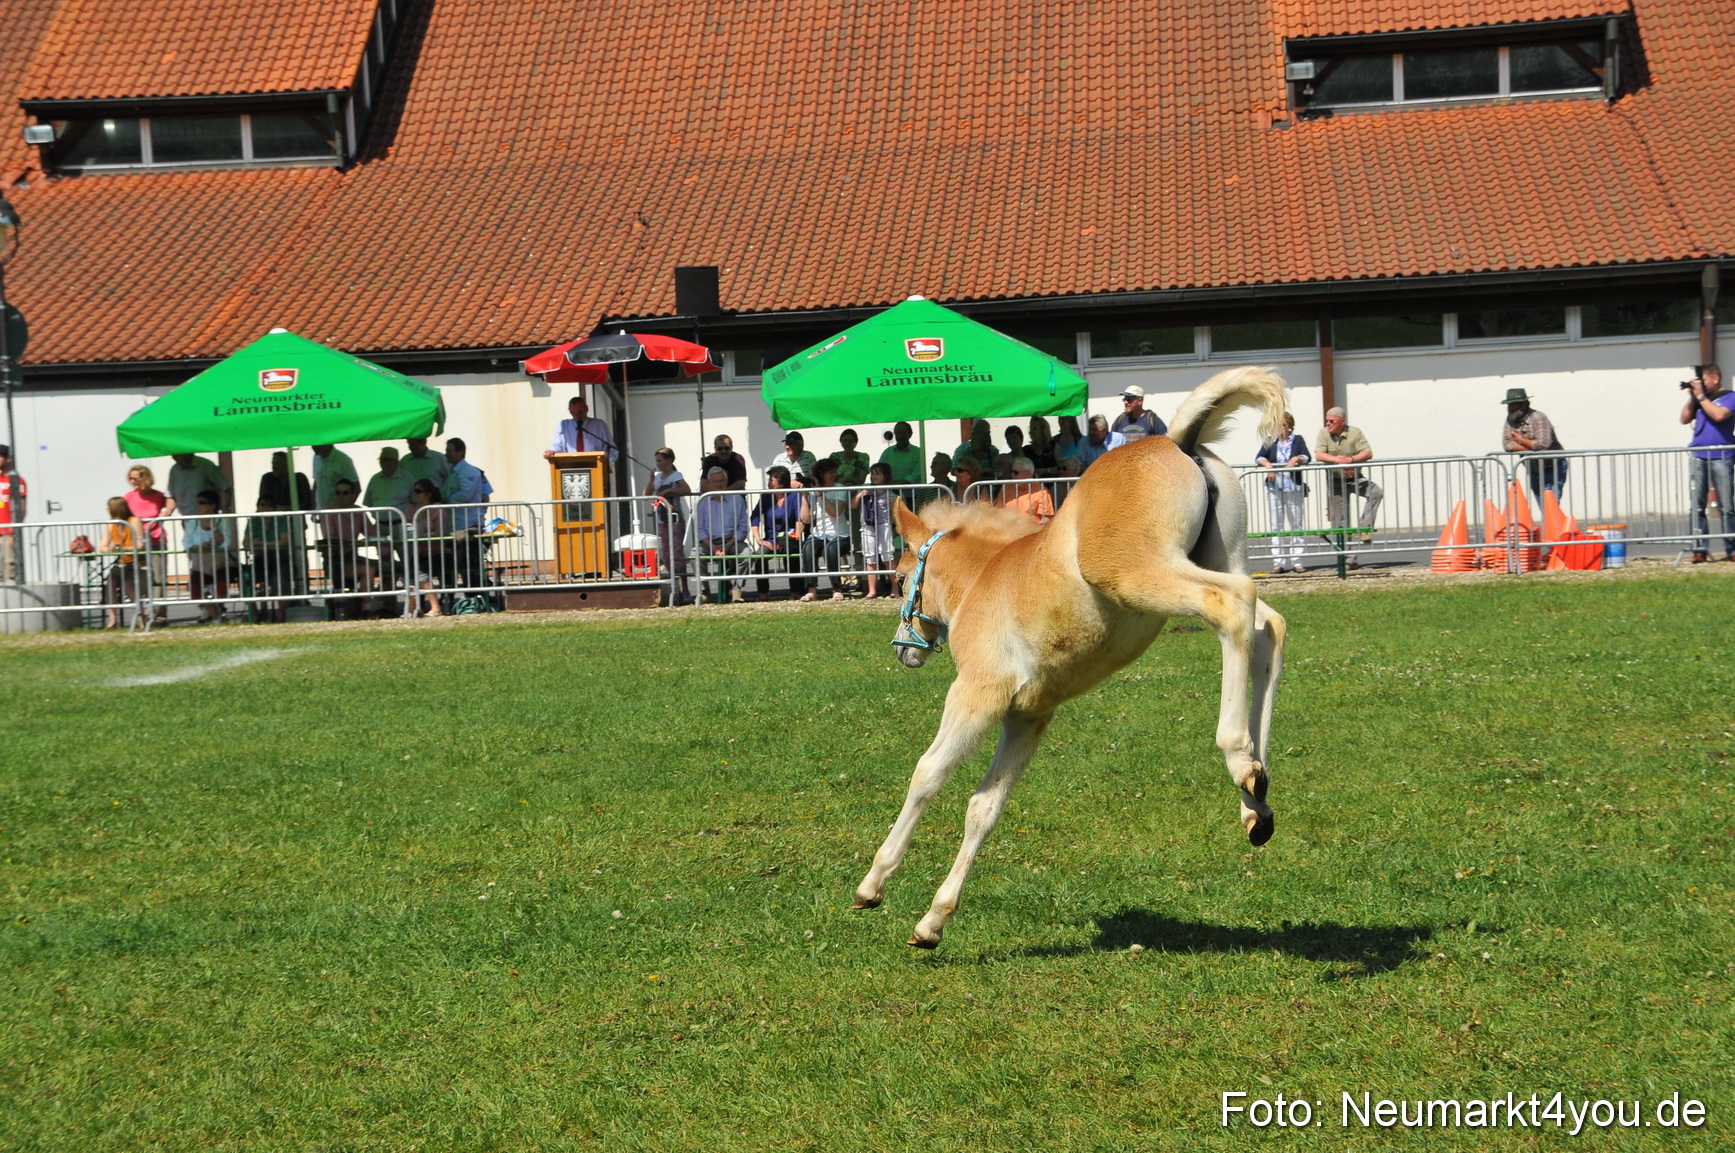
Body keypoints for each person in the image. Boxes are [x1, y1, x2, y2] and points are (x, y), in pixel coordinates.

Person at [1316, 406, 1382, 569]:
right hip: (1336, 481)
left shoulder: (1354, 432)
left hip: (1355, 478)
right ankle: (1348, 560)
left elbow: (1367, 453)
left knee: (1376, 492)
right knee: (1341, 523)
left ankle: (1364, 527)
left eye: (1332, 421)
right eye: (1327, 420)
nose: (1328, 423)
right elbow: (1319, 454)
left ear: (1342, 422)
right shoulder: (1324, 433)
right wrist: (1337, 460)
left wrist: (1351, 460)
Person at [1682, 363, 1735, 563]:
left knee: (1727, 506)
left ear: (1715, 379)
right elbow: (1684, 419)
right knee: (1697, 506)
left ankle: (1732, 549)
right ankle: (1699, 549)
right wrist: (1692, 397)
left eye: (1703, 381)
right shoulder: (1700, 400)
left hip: (1722, 456)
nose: (1700, 385)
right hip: (1699, 456)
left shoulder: (1731, 397)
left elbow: (1719, 415)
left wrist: (1701, 397)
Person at [1255, 412, 1311, 574]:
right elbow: (1259, 457)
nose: (1279, 429)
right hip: (1275, 487)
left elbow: (1306, 456)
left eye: (1281, 425)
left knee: (1296, 524)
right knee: (1276, 524)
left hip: (1293, 486)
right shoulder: (1270, 440)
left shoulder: (1297, 440)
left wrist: (1296, 459)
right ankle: (1278, 562)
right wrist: (1268, 465)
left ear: (1288, 426)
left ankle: (1297, 561)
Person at [317, 479, 377, 617]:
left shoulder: (357, 511)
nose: (341, 496)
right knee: (368, 569)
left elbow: (372, 534)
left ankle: (382, 606)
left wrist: (385, 552)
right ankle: (367, 609)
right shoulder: (327, 512)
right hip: (335, 560)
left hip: (353, 558)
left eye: (345, 493)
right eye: (338, 493)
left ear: (352, 495)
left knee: (391, 567)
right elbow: (330, 538)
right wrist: (351, 544)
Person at [441, 438, 492, 590]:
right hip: (457, 523)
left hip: (467, 525)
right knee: (462, 563)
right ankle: (471, 593)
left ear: (460, 452)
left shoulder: (468, 472)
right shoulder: (454, 471)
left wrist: (446, 500)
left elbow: (464, 495)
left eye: (449, 451)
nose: (446, 454)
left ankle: (475, 594)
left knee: (468, 563)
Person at [1501, 389, 1566, 505]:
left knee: (1551, 505)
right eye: (1509, 404)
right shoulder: (1510, 420)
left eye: (1514, 404)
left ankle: (1555, 523)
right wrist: (1531, 447)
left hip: (1553, 467)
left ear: (1525, 404)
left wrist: (1520, 440)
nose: (1510, 408)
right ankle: (1552, 523)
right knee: (1544, 506)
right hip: (1533, 470)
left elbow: (1543, 444)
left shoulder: (1538, 417)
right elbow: (1507, 444)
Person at [643, 447, 691, 603]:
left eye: (660, 461)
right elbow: (646, 494)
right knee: (667, 555)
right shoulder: (657, 477)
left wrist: (670, 490)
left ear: (669, 461)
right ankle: (674, 587)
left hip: (675, 519)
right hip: (662, 519)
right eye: (656, 461)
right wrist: (651, 479)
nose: (657, 464)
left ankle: (685, 588)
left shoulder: (676, 476)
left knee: (677, 553)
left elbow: (686, 489)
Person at [694, 465, 748, 603]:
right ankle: (704, 591)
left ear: (726, 481)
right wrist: (714, 548)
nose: (718, 484)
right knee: (694, 555)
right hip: (709, 542)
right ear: (709, 483)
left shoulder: (737, 499)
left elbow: (742, 527)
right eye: (715, 481)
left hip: (732, 540)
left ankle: (737, 590)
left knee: (747, 555)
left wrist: (728, 545)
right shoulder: (702, 502)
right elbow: (700, 529)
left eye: (721, 481)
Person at [748, 465, 803, 599]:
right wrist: (759, 540)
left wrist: (795, 536)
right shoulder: (766, 497)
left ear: (781, 481)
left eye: (772, 480)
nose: (769, 483)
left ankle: (795, 591)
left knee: (792, 553)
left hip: (789, 536)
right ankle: (763, 593)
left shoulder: (794, 496)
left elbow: (799, 519)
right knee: (760, 556)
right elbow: (754, 517)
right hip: (771, 539)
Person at [182, 490, 237, 624]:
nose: (198, 506)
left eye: (202, 503)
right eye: (198, 503)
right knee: (195, 591)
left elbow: (225, 542)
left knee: (221, 587)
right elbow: (187, 544)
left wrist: (213, 527)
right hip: (200, 563)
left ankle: (214, 616)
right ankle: (215, 614)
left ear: (212, 505)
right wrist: (200, 546)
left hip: (220, 562)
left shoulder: (222, 520)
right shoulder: (193, 522)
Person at [124, 464, 170, 621]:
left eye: (136, 478)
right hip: (138, 543)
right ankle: (143, 613)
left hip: (156, 540)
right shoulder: (129, 497)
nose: (133, 481)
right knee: (140, 577)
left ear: (145, 478)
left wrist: (165, 512)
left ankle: (159, 614)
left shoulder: (158, 496)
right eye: (130, 478)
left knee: (158, 577)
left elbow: (169, 506)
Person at [798, 457, 849, 600]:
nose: (833, 475)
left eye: (834, 472)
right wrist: (805, 496)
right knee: (808, 547)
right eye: (829, 473)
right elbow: (805, 519)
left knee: (830, 549)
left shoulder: (839, 488)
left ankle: (837, 589)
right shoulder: (814, 491)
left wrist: (820, 493)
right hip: (819, 534)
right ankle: (811, 590)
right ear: (821, 475)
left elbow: (835, 512)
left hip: (840, 535)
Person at [853, 461, 899, 597]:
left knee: (887, 556)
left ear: (885, 476)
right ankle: (872, 590)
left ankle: (895, 589)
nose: (874, 476)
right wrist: (861, 494)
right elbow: (853, 505)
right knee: (870, 558)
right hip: (867, 526)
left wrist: (889, 524)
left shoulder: (889, 493)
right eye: (872, 473)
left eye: (877, 474)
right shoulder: (865, 489)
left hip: (883, 526)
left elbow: (894, 511)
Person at [243, 496, 293, 623]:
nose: (264, 508)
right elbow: (245, 543)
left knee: (278, 580)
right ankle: (254, 615)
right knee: (245, 578)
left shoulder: (281, 519)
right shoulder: (254, 520)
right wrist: (269, 543)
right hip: (259, 559)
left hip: (279, 559)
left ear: (274, 508)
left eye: (268, 505)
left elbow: (284, 541)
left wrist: (262, 544)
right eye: (261, 505)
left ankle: (281, 614)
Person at [405, 480, 451, 616]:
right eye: (414, 491)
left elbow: (440, 534)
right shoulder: (410, 511)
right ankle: (411, 609)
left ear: (429, 494)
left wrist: (424, 543)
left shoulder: (437, 508)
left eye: (418, 491)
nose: (415, 494)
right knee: (409, 571)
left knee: (420, 572)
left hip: (440, 553)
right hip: (420, 552)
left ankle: (435, 608)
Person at [100, 496, 143, 629]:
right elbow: (102, 547)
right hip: (120, 563)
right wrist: (110, 548)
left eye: (110, 507)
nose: (108, 510)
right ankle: (112, 618)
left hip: (134, 562)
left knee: (128, 585)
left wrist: (123, 548)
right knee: (110, 583)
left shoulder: (134, 521)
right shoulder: (111, 524)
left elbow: (140, 545)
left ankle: (141, 618)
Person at [544, 395, 617, 461]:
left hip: (595, 468)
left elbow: (613, 451)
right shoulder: (564, 425)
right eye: (573, 413)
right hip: (571, 468)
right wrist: (552, 451)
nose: (577, 416)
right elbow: (558, 445)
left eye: (580, 412)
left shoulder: (599, 425)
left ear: (586, 409)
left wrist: (605, 462)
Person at [166, 452, 230, 516]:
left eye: (176, 455)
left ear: (187, 453)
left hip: (207, 517)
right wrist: (168, 511)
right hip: (186, 518)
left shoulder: (206, 465)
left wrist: (225, 510)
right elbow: (171, 495)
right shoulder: (174, 470)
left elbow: (226, 487)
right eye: (173, 455)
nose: (173, 458)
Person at [995, 456, 1055, 524]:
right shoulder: (1006, 488)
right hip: (1008, 529)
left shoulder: (1042, 491)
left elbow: (1046, 518)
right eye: (1011, 471)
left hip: (1031, 531)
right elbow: (998, 511)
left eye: (1016, 472)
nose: (1012, 475)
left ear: (1027, 474)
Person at [0, 443, 25, 583]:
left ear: (7, 459)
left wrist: (16, 531)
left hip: (8, 531)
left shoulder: (16, 480)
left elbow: (21, 507)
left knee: (9, 564)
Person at [310, 444, 359, 508]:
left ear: (328, 443)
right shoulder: (315, 458)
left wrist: (345, 508)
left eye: (316, 444)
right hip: (321, 510)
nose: (313, 447)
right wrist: (314, 508)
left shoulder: (344, 460)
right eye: (312, 444)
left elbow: (357, 488)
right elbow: (316, 483)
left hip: (339, 512)